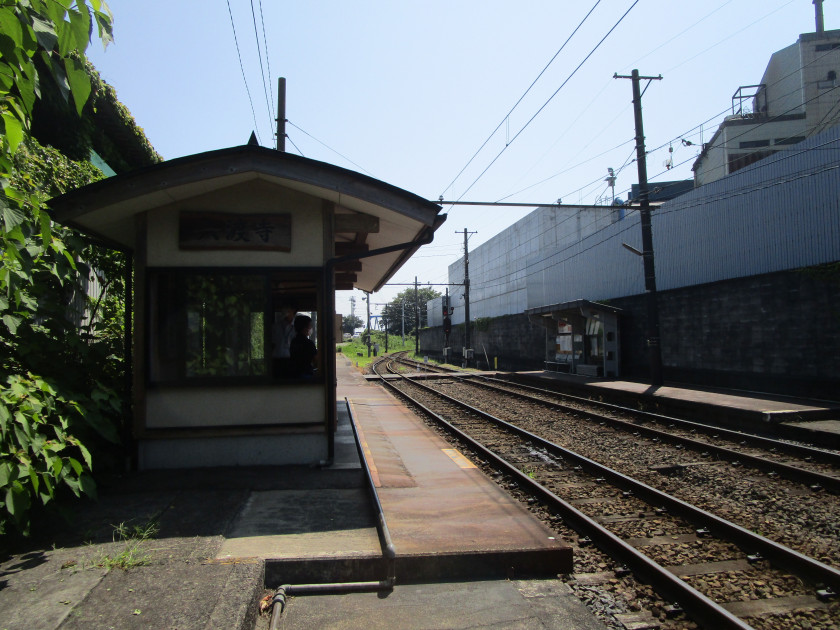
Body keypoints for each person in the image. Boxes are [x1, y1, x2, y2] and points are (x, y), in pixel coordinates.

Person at [272, 306, 296, 378]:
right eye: (285, 310)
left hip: (292, 359)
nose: (286, 312)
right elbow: (272, 343)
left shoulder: (297, 326)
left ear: (293, 311)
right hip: (277, 359)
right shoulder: (276, 326)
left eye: (288, 310)